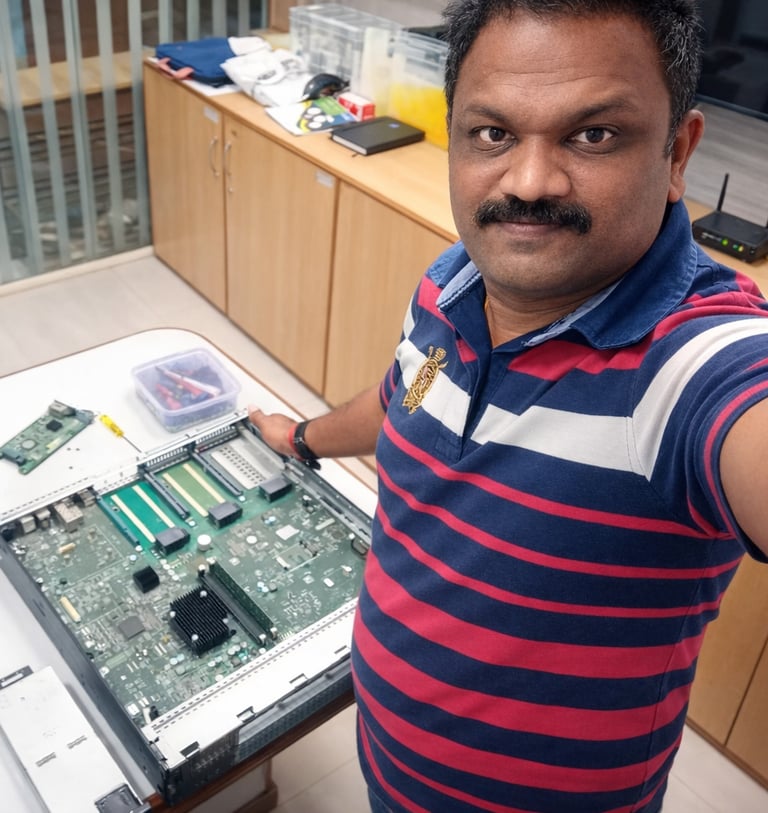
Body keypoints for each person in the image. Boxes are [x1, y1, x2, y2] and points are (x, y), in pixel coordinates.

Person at [250, 1, 768, 810]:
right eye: (493, 133)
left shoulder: (692, 366)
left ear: (677, 154)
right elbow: (404, 400)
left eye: (592, 135)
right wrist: (304, 437)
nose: (528, 183)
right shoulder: (451, 282)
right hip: (390, 769)